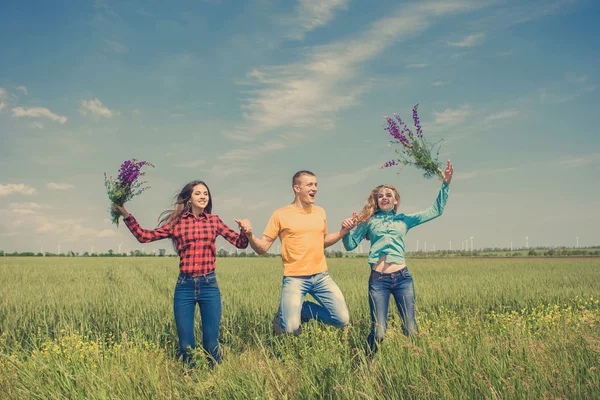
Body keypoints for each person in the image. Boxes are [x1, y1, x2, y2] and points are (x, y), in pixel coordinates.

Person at [113, 180, 248, 367]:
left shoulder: (214, 221)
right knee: (186, 345)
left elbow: (240, 243)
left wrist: (245, 232)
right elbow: (144, 236)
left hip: (209, 286)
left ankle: (217, 380)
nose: (203, 196)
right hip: (184, 287)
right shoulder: (177, 223)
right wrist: (126, 215)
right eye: (198, 193)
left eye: (206, 194)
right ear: (189, 199)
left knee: (211, 343)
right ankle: (189, 378)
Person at [341, 160, 453, 355]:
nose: (384, 197)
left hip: (403, 279)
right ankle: (367, 362)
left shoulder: (405, 220)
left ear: (396, 201)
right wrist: (346, 230)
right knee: (379, 331)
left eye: (388, 195)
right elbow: (350, 245)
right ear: (376, 201)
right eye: (380, 196)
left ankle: (414, 364)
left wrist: (445, 184)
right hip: (378, 281)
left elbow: (436, 210)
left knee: (410, 329)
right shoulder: (368, 221)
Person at [235, 170, 351, 335]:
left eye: (316, 184)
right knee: (290, 328)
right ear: (297, 188)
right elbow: (262, 248)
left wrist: (342, 232)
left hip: (321, 276)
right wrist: (250, 235)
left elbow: (322, 241)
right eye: (309, 184)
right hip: (295, 278)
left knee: (342, 319)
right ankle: (289, 316)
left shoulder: (320, 212)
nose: (315, 188)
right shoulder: (280, 215)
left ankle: (305, 310)